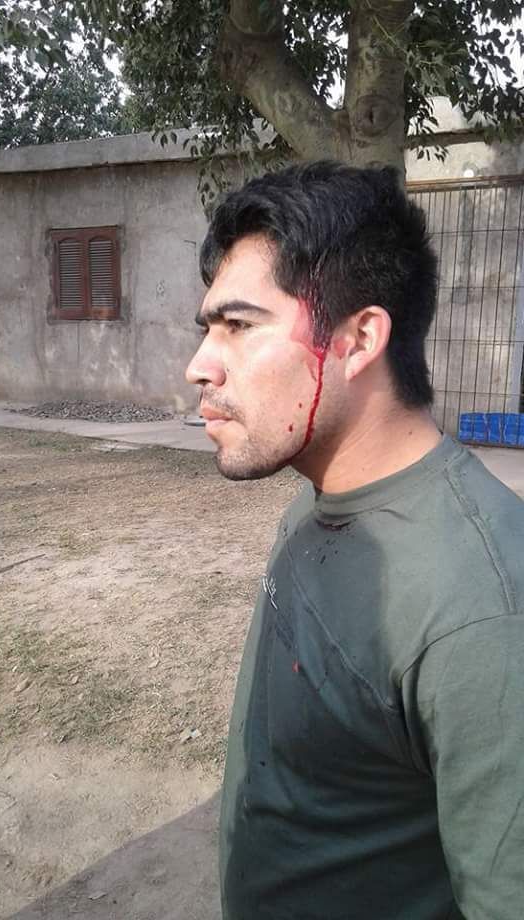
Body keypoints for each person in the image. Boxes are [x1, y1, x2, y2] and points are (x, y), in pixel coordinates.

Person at [185, 162, 524, 920]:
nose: (199, 366)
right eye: (207, 329)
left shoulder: (484, 610)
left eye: (238, 326)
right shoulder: (319, 494)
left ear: (359, 338)